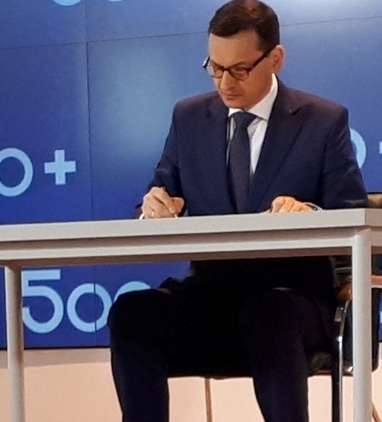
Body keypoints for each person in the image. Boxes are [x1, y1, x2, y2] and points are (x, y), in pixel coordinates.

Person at [107, 1, 367, 421]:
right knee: (132, 313)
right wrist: (153, 208)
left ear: (275, 59)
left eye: (240, 70)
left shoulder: (322, 121)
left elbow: (354, 215)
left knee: (268, 313)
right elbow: (161, 193)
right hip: (212, 299)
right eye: (215, 67)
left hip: (292, 304)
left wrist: (311, 213)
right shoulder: (189, 118)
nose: (225, 83)